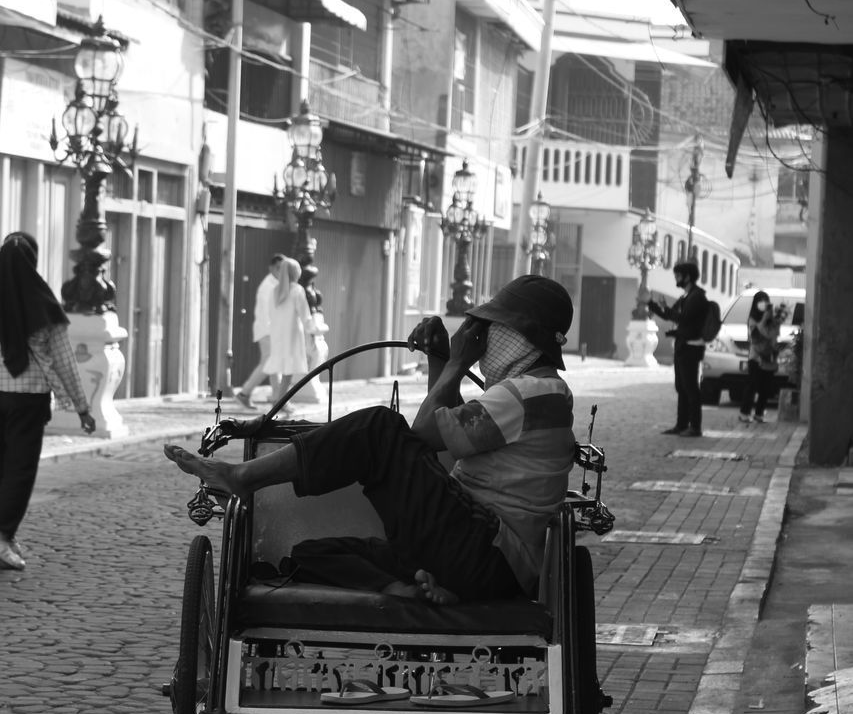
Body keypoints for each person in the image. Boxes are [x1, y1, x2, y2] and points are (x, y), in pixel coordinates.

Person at [164, 275, 576, 606]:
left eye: (494, 329)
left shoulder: (530, 393)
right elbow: (436, 440)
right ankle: (408, 590)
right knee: (307, 555)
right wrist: (440, 360)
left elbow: (418, 436)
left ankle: (242, 477)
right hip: (472, 556)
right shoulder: (530, 396)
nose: (484, 339)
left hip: (489, 551)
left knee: (380, 429)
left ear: (525, 337)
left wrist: (454, 362)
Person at [0, 232, 96, 571]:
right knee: (19, 470)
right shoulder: (42, 301)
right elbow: (64, 360)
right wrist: (83, 408)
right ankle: (2, 539)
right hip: (28, 399)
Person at [648, 259, 707, 437]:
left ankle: (695, 427)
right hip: (682, 346)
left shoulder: (697, 297)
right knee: (681, 387)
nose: (676, 278)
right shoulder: (685, 297)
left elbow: (684, 319)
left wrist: (668, 309)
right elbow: (669, 315)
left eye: (679, 275)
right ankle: (681, 425)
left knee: (691, 388)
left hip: (691, 347)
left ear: (688, 277)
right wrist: (651, 304)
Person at [236, 254, 284, 410]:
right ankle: (245, 393)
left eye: (282, 268)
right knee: (269, 364)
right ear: (271, 268)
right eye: (278, 268)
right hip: (267, 330)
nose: (281, 271)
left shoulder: (274, 284)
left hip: (269, 330)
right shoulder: (269, 286)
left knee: (273, 364)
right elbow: (270, 312)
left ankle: (279, 400)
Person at [265, 256, 312, 403]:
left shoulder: (274, 291)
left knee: (281, 367)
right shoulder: (297, 290)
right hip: (292, 335)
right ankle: (280, 402)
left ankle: (279, 400)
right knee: (288, 371)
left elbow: (270, 313)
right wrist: (313, 329)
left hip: (277, 333)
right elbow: (305, 316)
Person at [739, 291, 785, 425]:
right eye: (760, 300)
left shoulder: (772, 320)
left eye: (765, 300)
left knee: (765, 388)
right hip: (756, 357)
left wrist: (777, 319)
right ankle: (744, 413)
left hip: (769, 358)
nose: (763, 303)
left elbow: (773, 334)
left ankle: (759, 414)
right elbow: (761, 333)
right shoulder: (752, 318)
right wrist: (765, 318)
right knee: (751, 386)